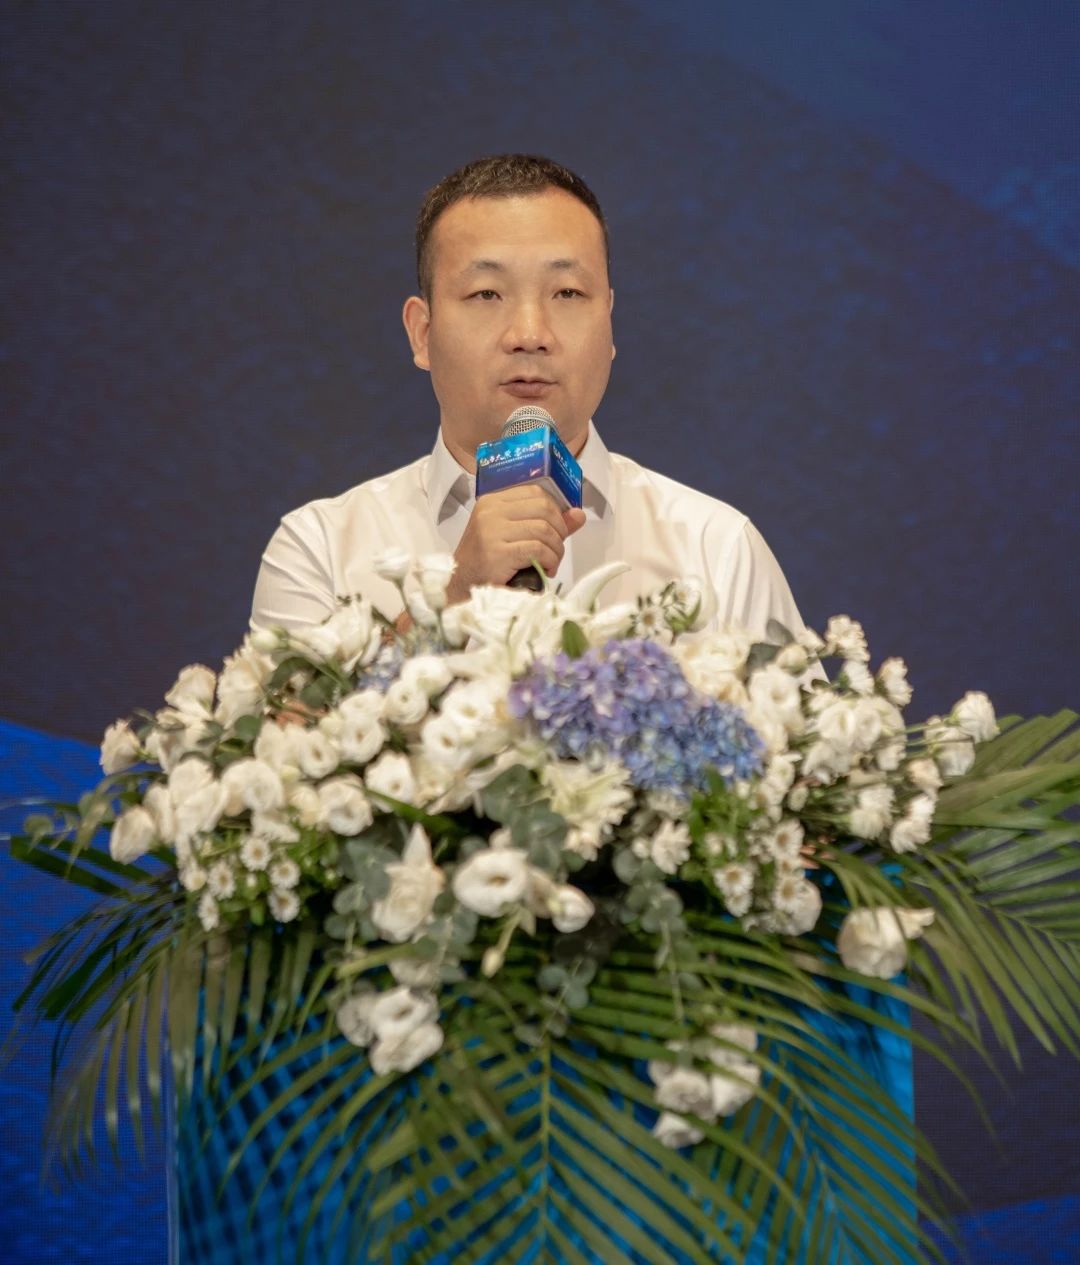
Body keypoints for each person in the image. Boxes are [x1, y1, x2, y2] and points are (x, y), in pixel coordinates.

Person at [251, 154, 805, 638]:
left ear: (610, 324)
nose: (530, 334)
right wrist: (454, 595)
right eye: (486, 293)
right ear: (422, 333)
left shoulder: (715, 549)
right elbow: (285, 729)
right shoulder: (322, 548)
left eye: (567, 292)